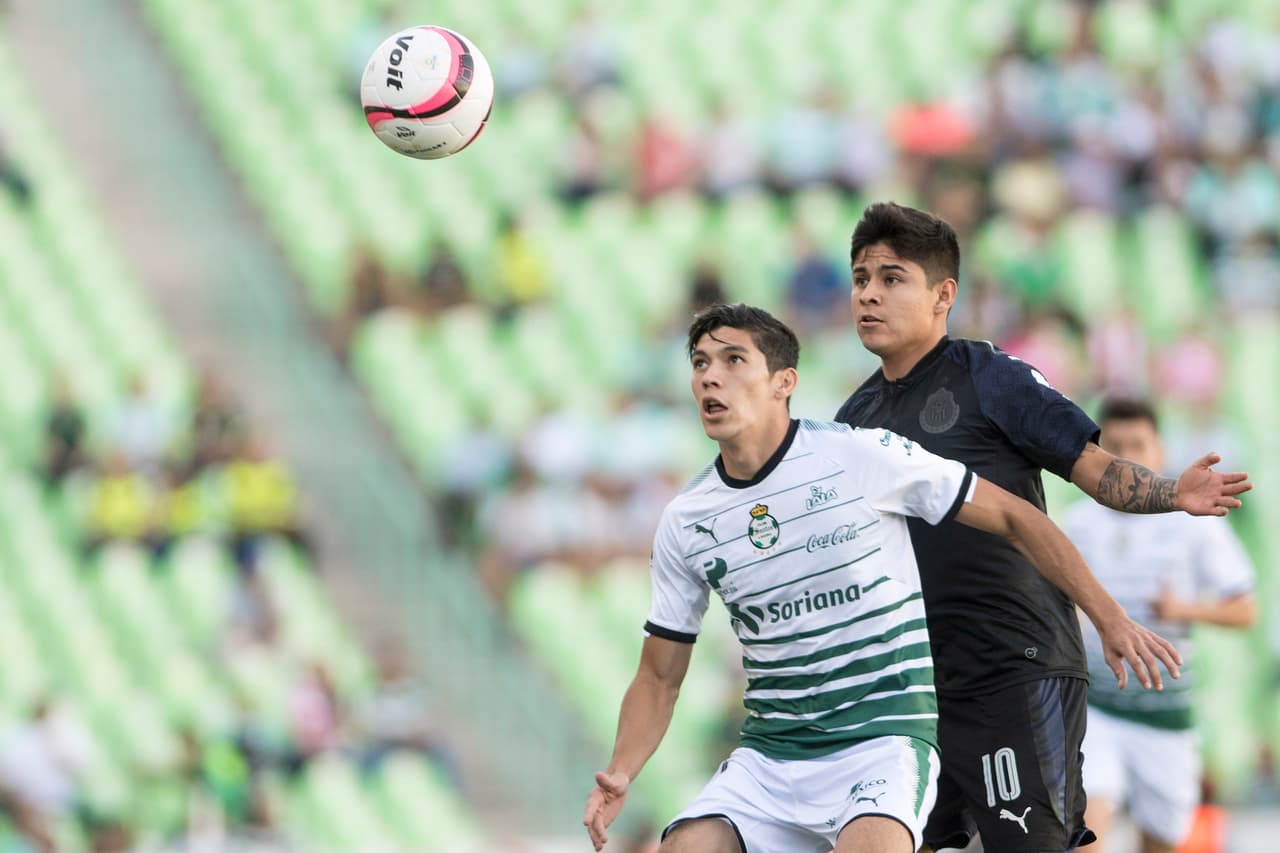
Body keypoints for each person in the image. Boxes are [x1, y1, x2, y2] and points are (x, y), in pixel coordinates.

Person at [584, 304, 1180, 853]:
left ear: (783, 383)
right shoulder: (688, 519)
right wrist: (622, 770)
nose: (710, 377)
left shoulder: (861, 455)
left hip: (881, 746)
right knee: (685, 847)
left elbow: (1015, 514)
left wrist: (1108, 616)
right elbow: (659, 675)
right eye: (699, 363)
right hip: (771, 755)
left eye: (733, 360)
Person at [833, 202, 1252, 853]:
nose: (869, 294)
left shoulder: (990, 378)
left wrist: (1172, 492)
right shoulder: (853, 418)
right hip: (919, 687)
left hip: (1014, 668)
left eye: (892, 278)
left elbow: (1089, 466)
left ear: (944, 294)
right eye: (860, 277)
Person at [1063, 397, 1256, 853]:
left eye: (1138, 444)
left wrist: (1182, 611)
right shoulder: (1077, 523)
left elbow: (1245, 610)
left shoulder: (1195, 524)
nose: (1127, 455)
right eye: (1116, 445)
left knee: (1161, 842)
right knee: (1085, 831)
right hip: (1098, 708)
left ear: (1160, 451)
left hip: (1165, 714)